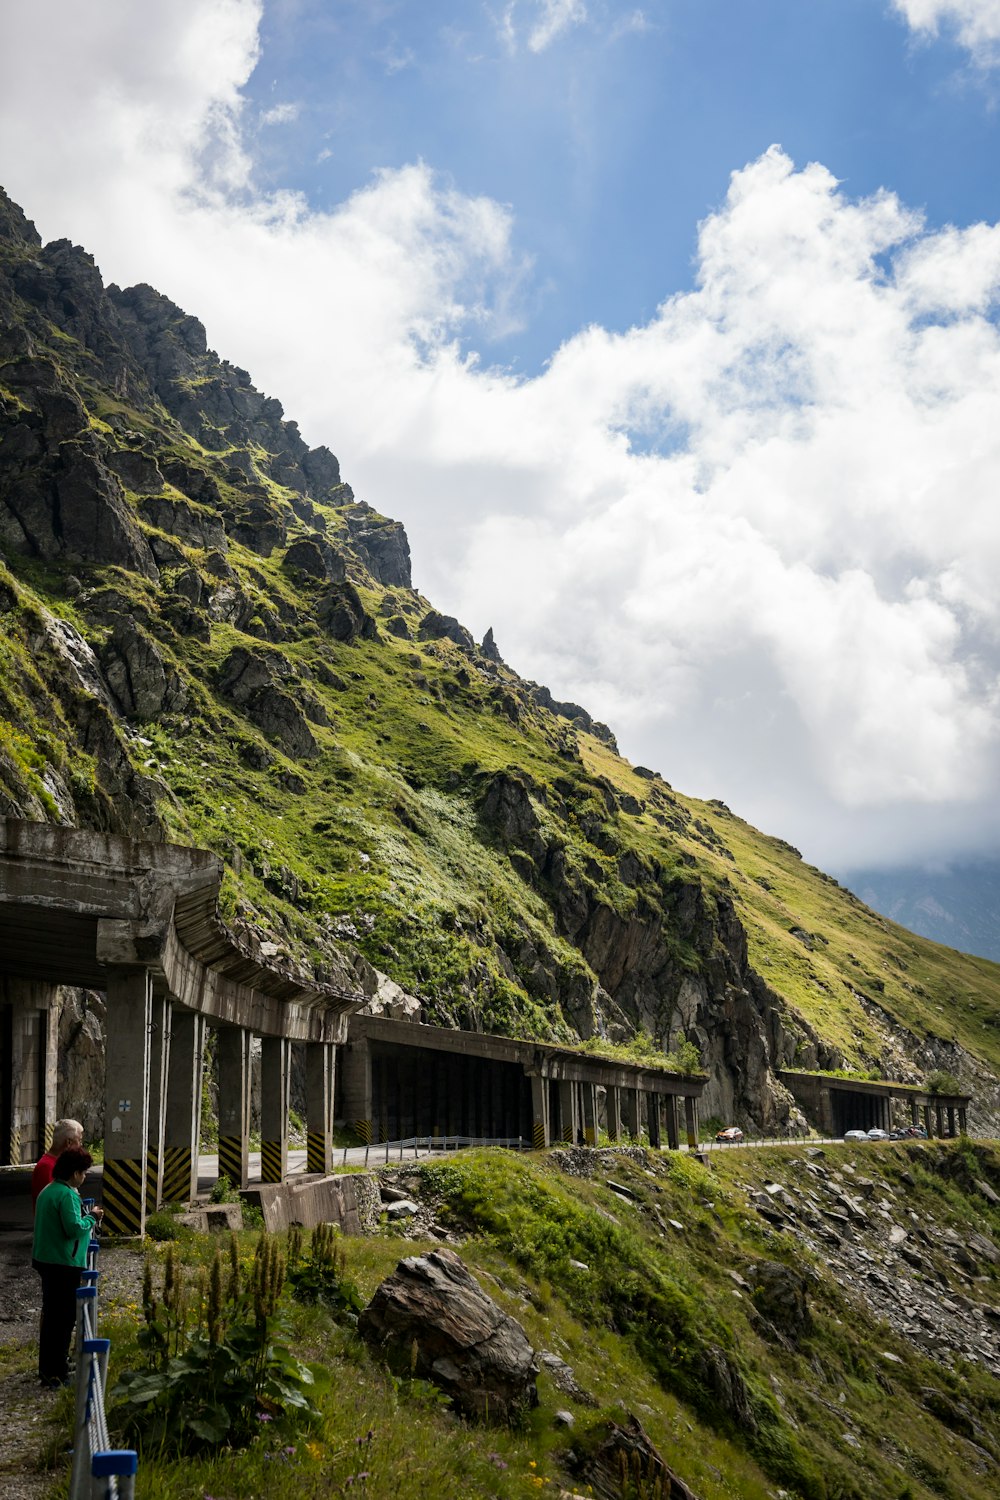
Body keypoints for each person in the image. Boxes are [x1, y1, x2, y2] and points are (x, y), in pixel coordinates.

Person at [32, 1147, 102, 1388]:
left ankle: (49, 1367)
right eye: (83, 1173)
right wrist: (92, 1216)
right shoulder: (67, 1195)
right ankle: (57, 1372)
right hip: (62, 1263)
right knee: (63, 1319)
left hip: (46, 1259)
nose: (84, 1177)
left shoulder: (48, 1191)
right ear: (74, 1173)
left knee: (52, 1317)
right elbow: (73, 1228)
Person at [31, 1119, 84, 1208]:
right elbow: (50, 1204)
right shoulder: (46, 1167)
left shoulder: (60, 1163)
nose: (80, 1145)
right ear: (69, 1142)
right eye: (79, 1140)